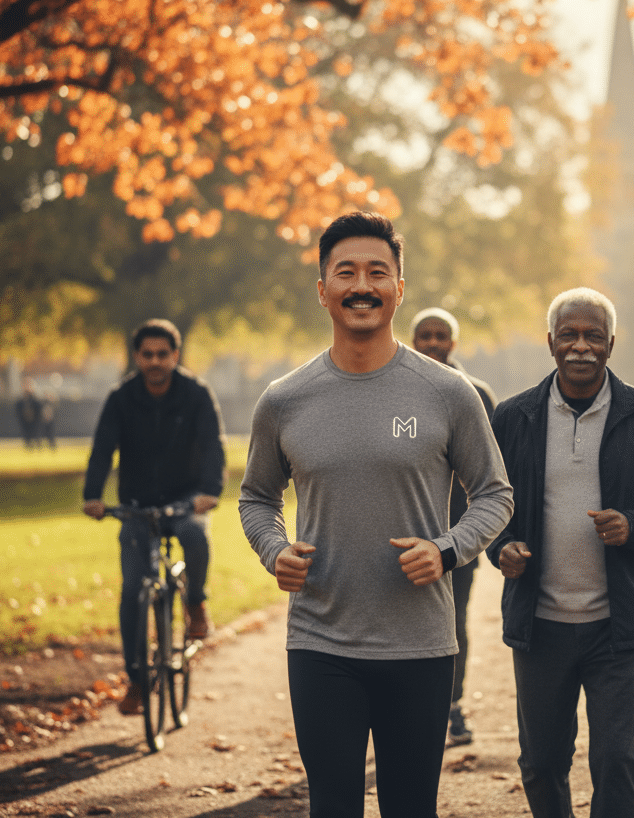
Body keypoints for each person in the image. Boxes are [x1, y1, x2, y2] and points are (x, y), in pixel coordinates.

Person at [239, 212, 513, 818]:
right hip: (320, 642)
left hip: (419, 646)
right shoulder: (285, 399)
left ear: (399, 288)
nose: (361, 285)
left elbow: (496, 493)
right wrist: (274, 549)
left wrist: (447, 549)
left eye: (377, 272)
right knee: (333, 806)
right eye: (346, 272)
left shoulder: (447, 393)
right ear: (322, 289)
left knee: (410, 808)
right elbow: (256, 497)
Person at [487, 287, 634, 818]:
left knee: (615, 761)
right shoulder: (514, 418)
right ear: (551, 341)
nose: (581, 346)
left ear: (611, 344)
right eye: (570, 335)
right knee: (540, 762)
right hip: (540, 623)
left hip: (618, 625)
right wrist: (501, 549)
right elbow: (487, 505)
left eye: (593, 336)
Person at [83, 319, 226, 716]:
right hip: (137, 505)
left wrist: (210, 491)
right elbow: (102, 449)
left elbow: (213, 445)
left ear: (175, 356)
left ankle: (196, 603)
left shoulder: (196, 394)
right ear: (137, 357)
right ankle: (137, 682)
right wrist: (92, 496)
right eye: (147, 354)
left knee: (195, 538)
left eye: (163, 354)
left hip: (185, 501)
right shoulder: (121, 398)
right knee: (133, 591)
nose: (155, 361)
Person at [410, 305, 498, 747]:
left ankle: (451, 708)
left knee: (452, 621)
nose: (432, 343)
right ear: (412, 340)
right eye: (423, 335)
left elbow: (494, 475)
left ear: (454, 342)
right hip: (404, 534)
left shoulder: (478, 394)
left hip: (459, 535)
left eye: (440, 335)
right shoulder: (398, 388)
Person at [14, 378, 42, 449]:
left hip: (34, 419)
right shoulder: (22, 399)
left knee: (35, 431)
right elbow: (18, 408)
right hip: (24, 419)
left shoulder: (35, 399)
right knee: (26, 433)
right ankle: (28, 444)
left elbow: (38, 408)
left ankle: (37, 444)